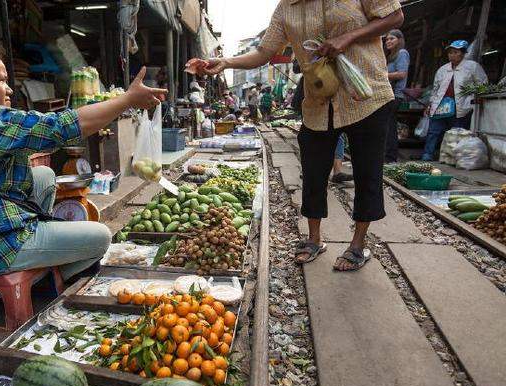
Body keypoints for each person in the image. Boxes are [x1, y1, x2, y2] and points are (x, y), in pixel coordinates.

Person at [0, 42, 166, 282]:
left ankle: (43, 253)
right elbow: (60, 127)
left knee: (44, 176)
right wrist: (127, 99)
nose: (9, 89)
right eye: (1, 80)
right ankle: (52, 277)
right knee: (101, 236)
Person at [188, 0, 404, 271]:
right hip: (319, 101)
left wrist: (347, 38)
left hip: (367, 94)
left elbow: (395, 17)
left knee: (367, 173)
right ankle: (314, 239)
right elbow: (263, 52)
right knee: (313, 173)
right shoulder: (286, 8)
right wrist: (226, 62)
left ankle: (358, 245)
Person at [421, 40, 488, 161]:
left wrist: (473, 97)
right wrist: (430, 104)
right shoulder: (442, 69)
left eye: (455, 52)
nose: (451, 55)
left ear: (463, 54)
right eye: (450, 52)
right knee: (433, 131)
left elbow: (482, 84)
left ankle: (453, 158)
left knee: (457, 134)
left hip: (460, 106)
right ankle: (427, 154)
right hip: (440, 106)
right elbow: (435, 89)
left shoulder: (472, 67)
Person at [384, 29, 410, 163]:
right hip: (389, 94)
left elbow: (402, 74)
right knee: (388, 125)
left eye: (392, 39)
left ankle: (390, 157)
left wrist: (382, 76)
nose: (388, 41)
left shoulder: (402, 53)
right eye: (387, 39)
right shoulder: (391, 56)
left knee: (389, 126)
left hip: (396, 95)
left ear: (399, 40)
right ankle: (388, 156)